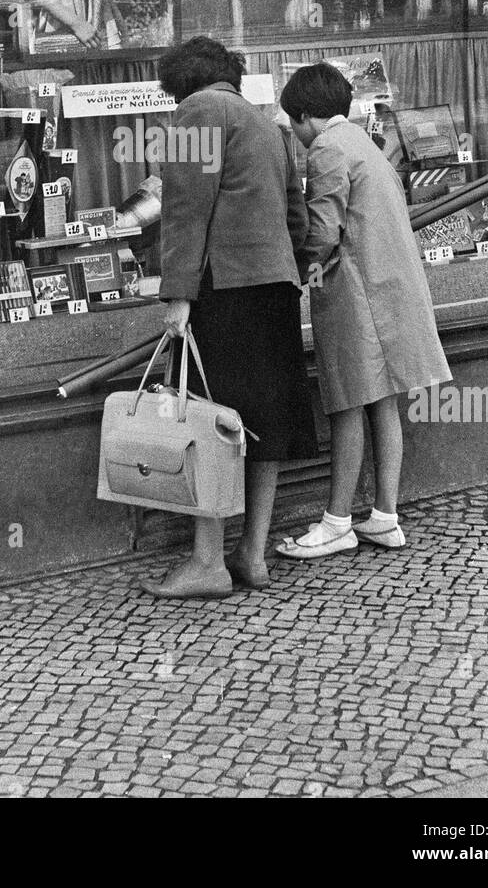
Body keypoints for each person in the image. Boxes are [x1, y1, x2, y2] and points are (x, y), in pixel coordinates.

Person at [141, 36, 317, 600]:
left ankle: (207, 562)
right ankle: (254, 553)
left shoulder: (198, 112)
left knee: (213, 423)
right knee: (264, 421)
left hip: (227, 291)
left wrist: (178, 295)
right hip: (275, 287)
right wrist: (287, 267)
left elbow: (185, 211)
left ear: (182, 83)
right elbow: (297, 214)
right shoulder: (268, 124)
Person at [276, 62, 452, 560]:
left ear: (307, 115)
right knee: (384, 402)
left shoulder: (327, 148)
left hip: (357, 295)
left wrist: (298, 271)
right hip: (389, 288)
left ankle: (336, 523)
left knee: (347, 403)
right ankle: (385, 517)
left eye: (294, 122)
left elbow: (324, 231)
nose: (295, 132)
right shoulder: (361, 142)